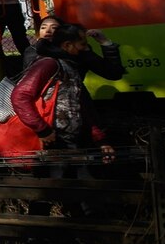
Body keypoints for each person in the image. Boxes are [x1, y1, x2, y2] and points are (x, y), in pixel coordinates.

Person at [12, 23, 116, 181]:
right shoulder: (50, 64)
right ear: (67, 45)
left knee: (75, 187)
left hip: (69, 136)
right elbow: (20, 96)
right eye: (83, 44)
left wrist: (100, 139)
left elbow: (81, 105)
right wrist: (43, 130)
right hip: (55, 138)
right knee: (63, 186)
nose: (85, 49)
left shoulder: (71, 65)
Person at [23, 15, 125, 82]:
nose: (48, 31)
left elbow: (113, 74)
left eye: (54, 27)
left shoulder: (77, 51)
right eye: (43, 27)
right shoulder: (33, 51)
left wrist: (105, 43)